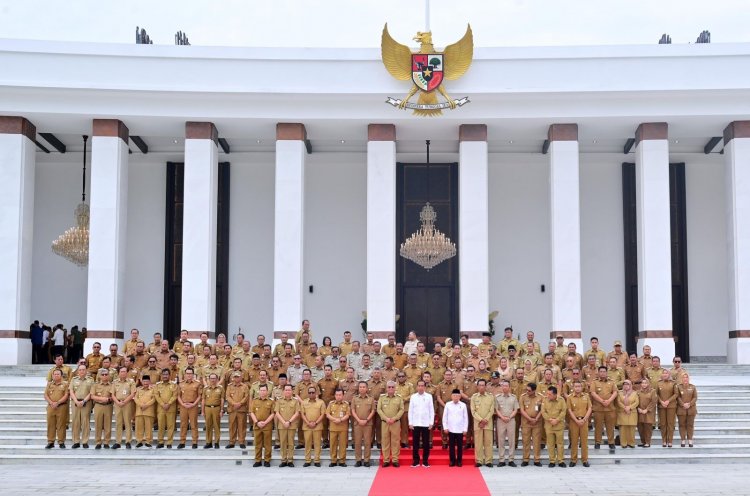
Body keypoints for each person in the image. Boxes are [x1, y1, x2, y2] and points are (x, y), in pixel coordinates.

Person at [378, 381, 405, 467]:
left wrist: (394, 418)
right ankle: (386, 460)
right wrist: (386, 418)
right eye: (389, 387)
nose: (391, 388)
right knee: (385, 441)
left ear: (395, 388)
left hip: (395, 423)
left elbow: (401, 409)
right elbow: (379, 409)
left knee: (395, 442)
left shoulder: (399, 398)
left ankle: (395, 460)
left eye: (392, 387)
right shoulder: (382, 398)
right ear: (386, 388)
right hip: (385, 423)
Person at [566, 380, 592, 467]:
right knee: (574, 441)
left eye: (579, 386)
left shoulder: (586, 396)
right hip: (574, 422)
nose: (577, 388)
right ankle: (573, 460)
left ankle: (585, 460)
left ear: (582, 387)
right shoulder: (570, 397)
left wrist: (584, 420)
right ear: (573, 387)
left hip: (584, 421)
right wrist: (576, 420)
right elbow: (569, 410)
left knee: (584, 442)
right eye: (576, 386)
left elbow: (589, 408)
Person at [408, 379, 434, 467]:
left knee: (426, 443)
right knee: (415, 443)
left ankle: (425, 461)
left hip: (426, 423)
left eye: (422, 386)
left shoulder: (429, 396)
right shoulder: (413, 397)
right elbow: (410, 410)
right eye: (419, 385)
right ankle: (416, 461)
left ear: (425, 387)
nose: (421, 387)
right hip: (415, 423)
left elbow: (431, 410)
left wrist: (431, 422)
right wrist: (410, 422)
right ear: (417, 387)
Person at [591, 365, 617, 450]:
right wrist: (602, 401)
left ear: (606, 373)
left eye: (604, 372)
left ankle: (611, 442)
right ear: (598, 373)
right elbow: (593, 393)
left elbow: (615, 392)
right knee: (598, 427)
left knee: (610, 427)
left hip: (610, 408)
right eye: (601, 371)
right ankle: (597, 442)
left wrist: (609, 401)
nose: (602, 373)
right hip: (598, 408)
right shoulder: (594, 382)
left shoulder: (612, 382)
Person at [68, 363, 94, 449]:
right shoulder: (73, 379)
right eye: (80, 370)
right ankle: (76, 441)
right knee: (75, 422)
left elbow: (91, 392)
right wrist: (76, 401)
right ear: (78, 371)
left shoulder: (90, 380)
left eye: (83, 369)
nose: (82, 371)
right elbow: (71, 391)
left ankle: (85, 441)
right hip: (75, 403)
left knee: (85, 422)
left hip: (86, 403)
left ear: (86, 371)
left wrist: (84, 401)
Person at [470, 379, 495, 467]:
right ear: (477, 387)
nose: (481, 387)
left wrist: (485, 420)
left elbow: (491, 410)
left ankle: (488, 461)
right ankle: (479, 460)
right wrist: (481, 420)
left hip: (488, 423)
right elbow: (473, 411)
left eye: (483, 385)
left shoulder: (490, 397)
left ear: (485, 386)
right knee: (478, 443)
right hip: (478, 424)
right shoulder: (474, 397)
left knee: (488, 443)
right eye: (479, 385)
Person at [495, 379, 519, 467]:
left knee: (511, 441)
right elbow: (496, 409)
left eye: (506, 386)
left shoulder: (514, 397)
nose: (504, 387)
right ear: (501, 387)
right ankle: (501, 459)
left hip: (511, 420)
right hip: (501, 420)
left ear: (509, 387)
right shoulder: (497, 397)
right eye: (503, 385)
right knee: (501, 440)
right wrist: (502, 417)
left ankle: (511, 459)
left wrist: (509, 417)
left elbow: (515, 409)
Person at [111, 366, 136, 449]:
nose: (123, 373)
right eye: (121, 371)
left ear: (127, 372)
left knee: (128, 422)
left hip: (127, 404)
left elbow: (132, 394)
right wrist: (118, 402)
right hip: (117, 404)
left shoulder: (131, 382)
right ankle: (118, 442)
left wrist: (124, 402)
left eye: (125, 371)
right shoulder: (115, 382)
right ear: (119, 373)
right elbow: (112, 394)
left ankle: (128, 441)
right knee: (118, 423)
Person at [541, 385, 567, 467]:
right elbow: (543, 411)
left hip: (559, 425)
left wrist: (557, 420)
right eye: (547, 394)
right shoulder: (545, 400)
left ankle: (561, 461)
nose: (548, 396)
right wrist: (549, 419)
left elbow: (563, 411)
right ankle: (552, 461)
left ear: (555, 394)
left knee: (560, 443)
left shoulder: (561, 400)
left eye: (550, 394)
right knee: (550, 444)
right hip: (549, 426)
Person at [351, 381, 375, 467]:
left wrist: (367, 419)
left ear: (367, 388)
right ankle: (358, 460)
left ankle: (366, 460)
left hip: (367, 424)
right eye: (360, 387)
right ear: (358, 388)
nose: (362, 388)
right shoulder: (355, 398)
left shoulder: (371, 398)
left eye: (364, 387)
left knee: (367, 442)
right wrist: (358, 420)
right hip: (358, 424)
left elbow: (373, 410)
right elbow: (353, 410)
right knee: (357, 442)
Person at [301, 386, 326, 467]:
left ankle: (317, 460)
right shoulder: (304, 402)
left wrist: (315, 423)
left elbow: (322, 414)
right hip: (307, 426)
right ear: (308, 393)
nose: (311, 394)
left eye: (313, 392)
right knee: (307, 443)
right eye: (309, 392)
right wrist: (308, 423)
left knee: (317, 444)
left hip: (317, 426)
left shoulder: (321, 402)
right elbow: (302, 414)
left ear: (316, 393)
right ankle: (307, 460)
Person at [276, 384, 300, 466]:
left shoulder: (295, 401)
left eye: (289, 390)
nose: (287, 391)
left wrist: (289, 422)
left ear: (292, 391)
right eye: (286, 390)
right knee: (282, 443)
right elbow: (277, 412)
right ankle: (283, 460)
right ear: (283, 391)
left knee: (291, 443)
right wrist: (283, 422)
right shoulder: (279, 400)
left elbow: (297, 413)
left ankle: (290, 460)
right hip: (282, 425)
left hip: (291, 425)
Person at [442, 388, 468, 467]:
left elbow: (465, 418)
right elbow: (445, 417)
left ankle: (459, 461)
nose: (455, 397)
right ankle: (452, 460)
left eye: (457, 396)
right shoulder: (448, 404)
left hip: (460, 429)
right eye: (454, 395)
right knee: (451, 446)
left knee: (460, 446)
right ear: (451, 396)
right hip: (451, 429)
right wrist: (445, 427)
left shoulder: (463, 405)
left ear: (460, 396)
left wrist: (465, 429)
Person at [177, 367, 202, 449]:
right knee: (183, 424)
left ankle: (194, 442)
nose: (189, 375)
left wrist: (194, 404)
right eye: (187, 373)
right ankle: (182, 441)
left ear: (193, 374)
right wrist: (182, 404)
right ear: (185, 374)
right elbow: (178, 396)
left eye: (190, 373)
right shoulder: (181, 384)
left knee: (194, 424)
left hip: (193, 406)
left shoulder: (197, 383)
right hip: (183, 406)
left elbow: (199, 396)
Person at [251, 384, 275, 467]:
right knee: (258, 444)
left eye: (264, 390)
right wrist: (257, 422)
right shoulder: (254, 401)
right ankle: (258, 460)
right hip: (257, 425)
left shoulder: (271, 401)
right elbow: (252, 413)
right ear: (258, 391)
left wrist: (265, 422)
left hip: (267, 426)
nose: (262, 392)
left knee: (268, 444)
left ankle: (267, 460)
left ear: (267, 391)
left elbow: (272, 414)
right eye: (261, 390)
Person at [520, 382, 543, 466]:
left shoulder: (540, 397)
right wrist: (529, 419)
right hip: (526, 422)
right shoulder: (523, 397)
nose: (527, 392)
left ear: (534, 391)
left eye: (529, 390)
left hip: (537, 423)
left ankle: (537, 459)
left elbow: (542, 409)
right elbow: (522, 410)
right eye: (527, 390)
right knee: (526, 441)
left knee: (536, 442)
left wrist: (536, 419)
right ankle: (526, 459)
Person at [44, 369, 69, 449]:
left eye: (58, 374)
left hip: (61, 406)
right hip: (51, 407)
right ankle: (50, 441)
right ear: (52, 375)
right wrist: (51, 403)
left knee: (61, 425)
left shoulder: (65, 384)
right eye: (54, 374)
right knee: (50, 424)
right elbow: (45, 395)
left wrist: (57, 403)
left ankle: (61, 442)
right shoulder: (49, 384)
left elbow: (66, 395)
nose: (56, 375)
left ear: (61, 375)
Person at [326, 388, 351, 467]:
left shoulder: (346, 404)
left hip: (343, 428)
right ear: (335, 395)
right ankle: (333, 460)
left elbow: (347, 414)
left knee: (342, 444)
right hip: (333, 428)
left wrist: (340, 420)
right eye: (337, 395)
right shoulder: (331, 404)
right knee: (333, 444)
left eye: (340, 395)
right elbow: (327, 414)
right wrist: (334, 419)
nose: (338, 396)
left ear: (343, 395)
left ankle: (342, 461)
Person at [154, 368, 178, 449]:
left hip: (170, 408)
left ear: (169, 375)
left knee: (170, 426)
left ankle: (169, 442)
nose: (165, 376)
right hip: (161, 409)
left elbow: (175, 395)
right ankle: (160, 442)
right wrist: (162, 404)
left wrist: (168, 403)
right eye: (163, 374)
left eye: (166, 374)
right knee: (161, 425)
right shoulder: (158, 385)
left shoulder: (174, 384)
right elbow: (156, 395)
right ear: (161, 375)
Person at [90, 367, 114, 449]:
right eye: (102, 374)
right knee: (98, 424)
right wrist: (102, 399)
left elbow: (113, 396)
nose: (104, 376)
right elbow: (92, 396)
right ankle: (98, 442)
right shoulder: (95, 385)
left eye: (106, 374)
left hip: (108, 406)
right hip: (98, 406)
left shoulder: (112, 385)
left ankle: (106, 442)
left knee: (108, 424)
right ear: (100, 376)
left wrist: (109, 399)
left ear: (108, 376)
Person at [225, 371, 250, 449]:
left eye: (238, 377)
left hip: (241, 409)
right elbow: (227, 396)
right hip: (232, 409)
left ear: (241, 377)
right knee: (232, 426)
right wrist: (233, 404)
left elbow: (246, 396)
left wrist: (240, 403)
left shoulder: (245, 386)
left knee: (242, 426)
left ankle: (241, 441)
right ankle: (232, 442)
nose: (236, 378)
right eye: (235, 377)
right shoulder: (229, 386)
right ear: (233, 378)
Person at [656, 368, 678, 447]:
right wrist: (661, 401)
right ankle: (664, 440)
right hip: (661, 406)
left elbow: (676, 394)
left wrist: (668, 401)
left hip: (671, 406)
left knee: (670, 424)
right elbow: (656, 394)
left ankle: (670, 441)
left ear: (669, 375)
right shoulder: (659, 383)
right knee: (663, 424)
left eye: (666, 373)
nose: (665, 374)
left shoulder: (673, 383)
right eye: (663, 373)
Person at [676, 373, 698, 447]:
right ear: (681, 379)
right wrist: (683, 404)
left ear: (689, 379)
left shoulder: (693, 387)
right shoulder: (678, 387)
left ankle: (690, 439)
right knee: (681, 425)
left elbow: (695, 397)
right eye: (684, 377)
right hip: (681, 409)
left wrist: (689, 404)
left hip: (691, 409)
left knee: (690, 425)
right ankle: (682, 439)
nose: (685, 379)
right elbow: (678, 397)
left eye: (687, 377)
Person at [134, 375, 156, 447]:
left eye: (147, 381)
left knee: (148, 427)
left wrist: (146, 405)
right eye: (144, 381)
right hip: (139, 411)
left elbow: (154, 399)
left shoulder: (153, 389)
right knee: (139, 427)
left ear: (149, 382)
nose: (145, 382)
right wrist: (141, 405)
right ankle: (139, 441)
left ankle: (148, 441)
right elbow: (136, 398)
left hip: (149, 411)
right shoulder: (138, 389)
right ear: (142, 382)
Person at [616, 379, 639, 448]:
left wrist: (630, 408)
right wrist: (625, 408)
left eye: (627, 384)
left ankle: (631, 443)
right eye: (624, 384)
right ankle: (623, 443)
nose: (626, 386)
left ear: (630, 385)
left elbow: (637, 402)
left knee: (631, 429)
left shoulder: (635, 393)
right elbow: (618, 402)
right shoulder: (619, 393)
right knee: (623, 429)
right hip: (622, 412)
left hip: (632, 412)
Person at [636, 379, 657, 447]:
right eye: (642, 383)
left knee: (648, 428)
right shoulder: (638, 392)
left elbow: (653, 401)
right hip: (640, 412)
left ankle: (647, 442)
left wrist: (647, 409)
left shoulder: (652, 391)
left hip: (648, 413)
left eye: (645, 383)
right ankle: (643, 441)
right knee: (640, 428)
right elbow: (635, 401)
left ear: (648, 384)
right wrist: (638, 408)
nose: (644, 384)